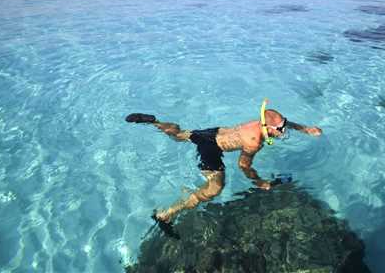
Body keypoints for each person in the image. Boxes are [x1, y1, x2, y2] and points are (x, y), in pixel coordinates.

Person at [125, 99, 322, 232]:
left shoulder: (260, 124)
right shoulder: (254, 141)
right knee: (215, 189)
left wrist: (305, 129)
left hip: (213, 132)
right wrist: (259, 181)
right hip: (211, 148)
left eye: (284, 125)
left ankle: (154, 122)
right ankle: (166, 215)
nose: (284, 130)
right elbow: (243, 165)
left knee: (179, 135)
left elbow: (282, 122)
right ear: (268, 127)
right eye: (281, 129)